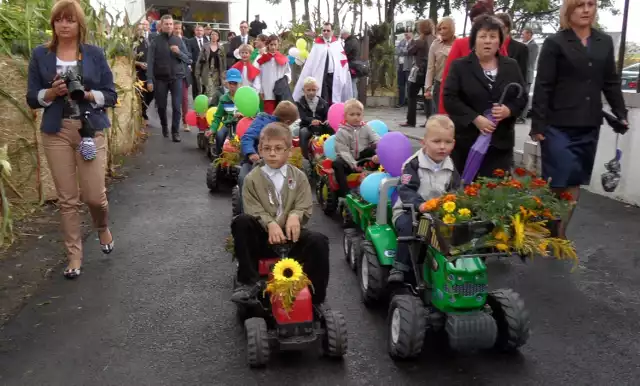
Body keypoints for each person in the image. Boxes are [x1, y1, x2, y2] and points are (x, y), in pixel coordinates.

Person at [26, 0, 117, 279]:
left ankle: (101, 226)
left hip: (89, 129)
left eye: (70, 20)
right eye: (59, 20)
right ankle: (74, 257)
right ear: (53, 24)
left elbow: (111, 95)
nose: (64, 24)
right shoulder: (40, 54)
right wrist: (51, 93)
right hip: (56, 131)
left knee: (94, 196)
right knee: (67, 199)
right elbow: (32, 98)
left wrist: (87, 94)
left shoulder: (94, 54)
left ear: (80, 24)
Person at [531, 0, 628, 238]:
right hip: (557, 125)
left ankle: (559, 234)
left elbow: (611, 82)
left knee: (575, 179)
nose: (586, 10)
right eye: (579, 5)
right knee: (558, 179)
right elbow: (543, 85)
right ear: (568, 10)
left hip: (589, 123)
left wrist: (621, 113)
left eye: (590, 4)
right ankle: (544, 227)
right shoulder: (556, 42)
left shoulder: (603, 41)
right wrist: (538, 124)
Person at [230, 122, 329, 309]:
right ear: (260, 149)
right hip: (264, 239)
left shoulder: (299, 177)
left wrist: (295, 215)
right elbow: (252, 208)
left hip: (291, 237)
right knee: (241, 222)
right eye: (267, 149)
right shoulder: (252, 179)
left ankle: (316, 298)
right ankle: (248, 283)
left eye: (278, 148)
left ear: (289, 151)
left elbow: (304, 205)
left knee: (319, 241)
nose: (272, 153)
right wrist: (269, 224)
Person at [443, 15, 528, 179]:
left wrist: (509, 110)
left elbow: (522, 96)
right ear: (474, 40)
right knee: (464, 192)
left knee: (495, 194)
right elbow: (450, 98)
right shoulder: (460, 66)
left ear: (499, 41)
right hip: (467, 142)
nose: (488, 41)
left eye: (493, 37)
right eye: (483, 36)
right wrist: (475, 118)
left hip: (500, 144)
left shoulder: (511, 66)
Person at [388, 115, 460, 283]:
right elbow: (406, 189)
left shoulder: (451, 167)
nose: (442, 147)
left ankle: (452, 267)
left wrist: (457, 203)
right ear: (424, 142)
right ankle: (399, 266)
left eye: (447, 142)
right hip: (411, 210)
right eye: (436, 141)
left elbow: (456, 190)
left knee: (459, 229)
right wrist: (420, 205)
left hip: (439, 214)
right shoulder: (412, 165)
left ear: (453, 143)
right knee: (409, 227)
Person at [437, 0, 509, 114]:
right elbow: (447, 80)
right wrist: (444, 113)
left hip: (493, 112)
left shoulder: (498, 45)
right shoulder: (460, 44)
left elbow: (507, 78)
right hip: (464, 111)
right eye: (476, 21)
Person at [238, 101, 300, 213]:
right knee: (245, 180)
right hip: (255, 162)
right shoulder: (261, 122)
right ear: (287, 122)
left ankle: (286, 211)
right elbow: (247, 138)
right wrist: (251, 153)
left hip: (277, 163)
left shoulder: (285, 131)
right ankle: (246, 213)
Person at [147, 14, 192, 142]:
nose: (169, 26)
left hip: (177, 77)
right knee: (161, 106)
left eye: (171, 24)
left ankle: (175, 132)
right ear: (161, 25)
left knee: (177, 106)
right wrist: (149, 79)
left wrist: (179, 52)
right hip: (160, 78)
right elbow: (150, 62)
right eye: (166, 24)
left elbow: (188, 59)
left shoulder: (178, 40)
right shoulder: (155, 41)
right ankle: (164, 126)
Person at [293, 22, 352, 104]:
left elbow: (342, 61)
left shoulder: (337, 44)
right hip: (321, 76)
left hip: (334, 75)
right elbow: (311, 62)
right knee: (323, 97)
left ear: (332, 32)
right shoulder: (317, 45)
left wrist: (344, 73)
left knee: (334, 96)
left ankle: (333, 113)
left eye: (328, 30)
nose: (326, 32)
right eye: (324, 30)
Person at [333, 99, 380, 198]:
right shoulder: (341, 131)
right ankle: (345, 193)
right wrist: (353, 164)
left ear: (362, 115)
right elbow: (343, 151)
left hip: (361, 158)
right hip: (348, 161)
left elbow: (376, 138)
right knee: (337, 163)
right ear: (345, 116)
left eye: (358, 114)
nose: (356, 117)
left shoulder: (366, 128)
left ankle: (375, 183)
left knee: (372, 150)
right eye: (352, 114)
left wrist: (379, 152)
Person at [401, 19, 436, 128]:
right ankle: (430, 121)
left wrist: (411, 41)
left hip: (419, 71)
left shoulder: (419, 41)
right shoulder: (435, 39)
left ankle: (411, 121)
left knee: (411, 95)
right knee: (427, 97)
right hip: (430, 71)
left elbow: (409, 51)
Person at [206, 68, 243, 156]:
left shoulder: (244, 97)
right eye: (230, 83)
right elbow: (218, 116)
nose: (233, 86)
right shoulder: (224, 98)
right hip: (229, 124)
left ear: (240, 84)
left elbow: (254, 112)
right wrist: (212, 129)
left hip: (242, 124)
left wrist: (244, 115)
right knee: (219, 135)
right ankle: (220, 157)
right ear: (226, 83)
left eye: (235, 83)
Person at [424, 17, 456, 116]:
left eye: (444, 28)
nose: (441, 31)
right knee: (440, 118)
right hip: (440, 85)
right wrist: (428, 88)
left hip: (455, 87)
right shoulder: (435, 44)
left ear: (451, 28)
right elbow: (430, 67)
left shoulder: (459, 43)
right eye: (439, 29)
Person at [297, 77, 332, 160]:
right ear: (303, 90)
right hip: (307, 126)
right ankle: (304, 157)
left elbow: (327, 114)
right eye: (308, 90)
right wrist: (311, 121)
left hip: (321, 126)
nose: (311, 92)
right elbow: (302, 116)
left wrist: (327, 120)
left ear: (317, 89)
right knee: (303, 132)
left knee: (332, 129)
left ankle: (333, 153)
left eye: (314, 90)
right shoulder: (300, 102)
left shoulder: (323, 102)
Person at [257, 35, 292, 114]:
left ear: (278, 45)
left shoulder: (283, 59)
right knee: (269, 114)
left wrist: (284, 81)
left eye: (275, 45)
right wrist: (261, 91)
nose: (273, 47)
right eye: (271, 45)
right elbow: (259, 76)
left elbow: (288, 73)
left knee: (280, 114)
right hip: (268, 92)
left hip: (280, 92)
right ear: (267, 45)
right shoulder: (263, 60)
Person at [495, 13, 529, 89]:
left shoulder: (521, 48)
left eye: (497, 26)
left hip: (510, 92)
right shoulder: (491, 46)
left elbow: (522, 77)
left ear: (506, 28)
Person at [172, 20, 193, 133]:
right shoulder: (168, 41)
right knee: (175, 101)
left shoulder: (185, 41)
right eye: (175, 28)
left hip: (183, 74)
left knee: (184, 99)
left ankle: (185, 122)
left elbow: (189, 57)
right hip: (171, 74)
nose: (177, 30)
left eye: (179, 28)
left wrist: (179, 53)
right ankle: (174, 123)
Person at [196, 30, 226, 106]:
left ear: (218, 37)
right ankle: (209, 106)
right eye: (212, 34)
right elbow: (200, 59)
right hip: (207, 71)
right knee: (209, 89)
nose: (214, 36)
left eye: (215, 35)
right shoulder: (205, 46)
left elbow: (223, 61)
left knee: (216, 90)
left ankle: (212, 106)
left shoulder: (221, 48)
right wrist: (197, 72)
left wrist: (224, 74)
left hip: (217, 72)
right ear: (210, 36)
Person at [134, 20, 154, 129]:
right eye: (138, 29)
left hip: (148, 71)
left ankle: (144, 110)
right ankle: (143, 115)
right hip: (137, 72)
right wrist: (139, 63)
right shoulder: (132, 42)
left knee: (152, 93)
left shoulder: (146, 40)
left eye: (142, 29)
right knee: (142, 94)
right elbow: (127, 59)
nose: (140, 31)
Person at [520, 26, 539, 122]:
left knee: (525, 96)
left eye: (523, 34)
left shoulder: (533, 45)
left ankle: (522, 117)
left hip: (527, 74)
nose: (522, 36)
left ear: (529, 34)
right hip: (523, 74)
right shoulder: (526, 44)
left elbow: (529, 61)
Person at [187, 24, 209, 99]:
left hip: (205, 65)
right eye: (197, 30)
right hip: (195, 65)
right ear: (194, 31)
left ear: (203, 32)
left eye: (201, 30)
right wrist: (190, 64)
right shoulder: (190, 41)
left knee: (205, 82)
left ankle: (204, 97)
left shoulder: (207, 41)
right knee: (195, 83)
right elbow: (189, 53)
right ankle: (196, 99)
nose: (199, 32)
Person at [395, 31, 414, 108]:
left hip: (408, 66)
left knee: (409, 85)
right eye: (405, 33)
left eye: (408, 32)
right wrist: (404, 50)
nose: (406, 34)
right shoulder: (402, 41)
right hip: (400, 65)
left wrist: (403, 50)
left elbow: (409, 51)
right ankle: (401, 102)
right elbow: (397, 50)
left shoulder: (414, 42)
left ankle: (410, 103)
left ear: (412, 34)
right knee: (401, 85)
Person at [341, 28, 360, 99]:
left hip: (352, 65)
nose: (342, 38)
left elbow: (345, 53)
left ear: (346, 34)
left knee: (352, 84)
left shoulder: (350, 42)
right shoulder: (354, 40)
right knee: (353, 83)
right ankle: (353, 100)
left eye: (342, 36)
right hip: (355, 65)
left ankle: (353, 101)